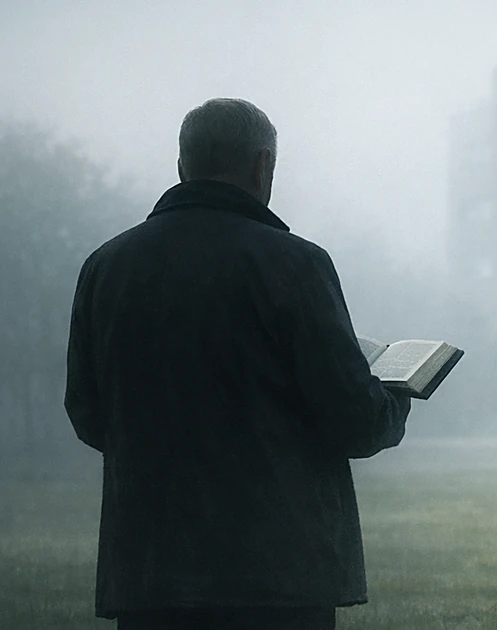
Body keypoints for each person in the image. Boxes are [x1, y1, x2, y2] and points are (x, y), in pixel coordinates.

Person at [64, 98, 411, 630]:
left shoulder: (106, 266)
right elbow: (355, 421)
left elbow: (87, 412)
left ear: (182, 167)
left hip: (150, 574)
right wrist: (394, 394)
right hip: (276, 577)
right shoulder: (295, 264)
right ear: (262, 165)